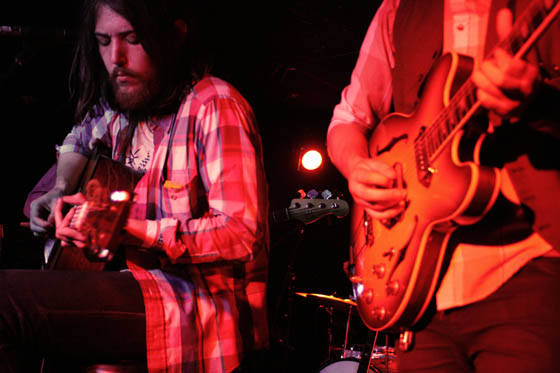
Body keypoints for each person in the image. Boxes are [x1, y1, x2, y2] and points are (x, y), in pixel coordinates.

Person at [3, 0, 270, 372]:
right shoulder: (118, 110)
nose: (117, 58)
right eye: (103, 41)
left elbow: (241, 233)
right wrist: (59, 192)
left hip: (190, 306)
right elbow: (75, 142)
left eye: (132, 39)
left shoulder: (215, 105)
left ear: (174, 37)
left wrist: (126, 228)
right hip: (124, 287)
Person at [327, 0, 560, 371]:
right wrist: (356, 168)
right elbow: (348, 119)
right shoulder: (398, 7)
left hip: (527, 272)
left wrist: (539, 104)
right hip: (420, 294)